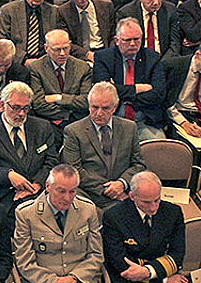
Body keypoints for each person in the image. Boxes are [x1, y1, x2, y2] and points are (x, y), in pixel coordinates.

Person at [61, 81, 146, 210]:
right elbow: (74, 171)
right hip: (88, 194)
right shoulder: (73, 131)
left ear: (115, 107)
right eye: (95, 107)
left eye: (105, 108)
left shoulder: (129, 127)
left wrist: (122, 183)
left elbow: (139, 164)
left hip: (122, 193)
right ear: (89, 106)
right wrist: (109, 189)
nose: (99, 113)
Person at [0, 81, 59, 207]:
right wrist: (8, 175)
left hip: (40, 193)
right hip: (5, 196)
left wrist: (37, 184)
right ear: (2, 105)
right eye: (16, 108)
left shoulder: (43, 127)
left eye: (26, 108)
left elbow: (51, 161)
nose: (21, 114)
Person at [29, 29, 94, 128]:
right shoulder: (36, 68)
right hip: (48, 122)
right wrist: (69, 113)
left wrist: (58, 98)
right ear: (46, 48)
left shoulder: (83, 68)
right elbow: (38, 104)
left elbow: (86, 101)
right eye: (57, 49)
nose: (62, 53)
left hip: (77, 122)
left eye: (66, 48)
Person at [163, 38, 201, 140]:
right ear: (197, 55)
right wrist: (184, 123)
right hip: (178, 114)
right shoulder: (173, 66)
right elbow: (166, 101)